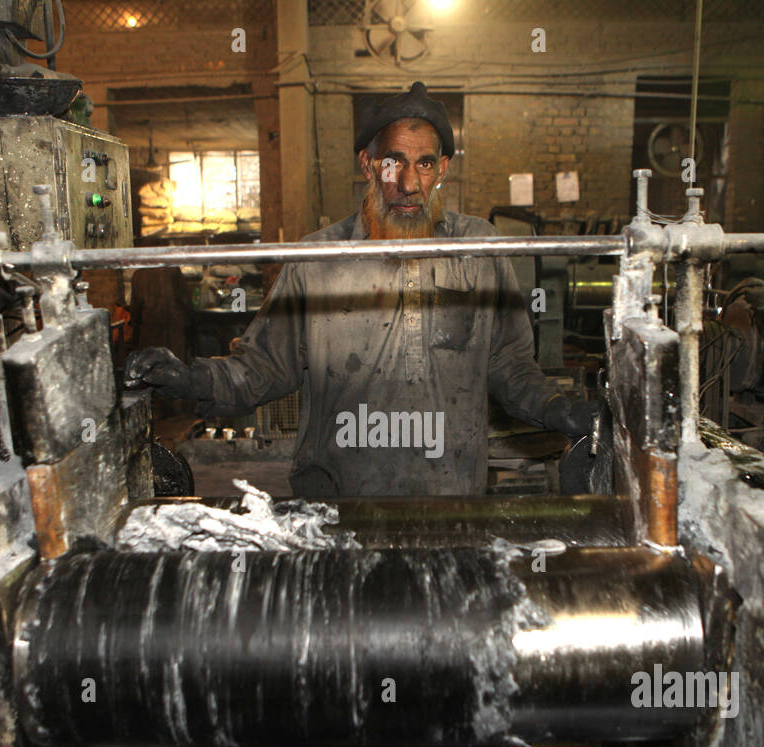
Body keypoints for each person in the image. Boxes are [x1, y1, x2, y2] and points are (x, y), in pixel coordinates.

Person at [125, 81, 593, 497]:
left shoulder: (478, 251)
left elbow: (510, 366)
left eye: (424, 164)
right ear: (368, 164)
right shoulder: (319, 260)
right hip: (338, 503)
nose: (409, 183)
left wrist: (558, 409)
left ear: (442, 168)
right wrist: (194, 378)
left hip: (448, 500)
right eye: (394, 163)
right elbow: (264, 366)